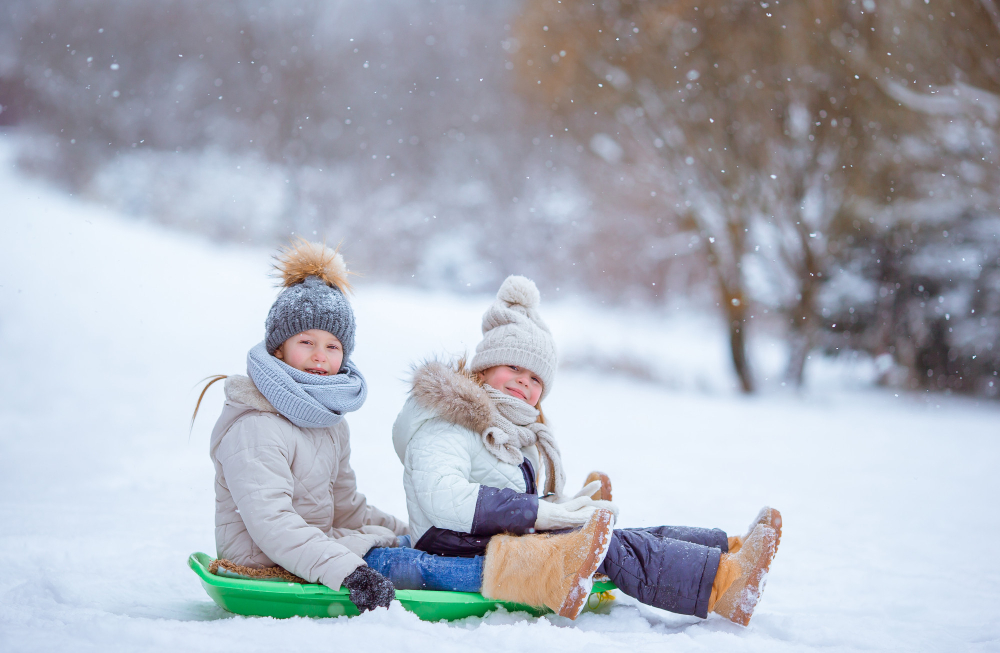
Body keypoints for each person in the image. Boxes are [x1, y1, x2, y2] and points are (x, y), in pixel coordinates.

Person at [392, 275, 781, 625]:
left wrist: (558, 506)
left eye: (534, 378)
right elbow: (442, 496)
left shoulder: (511, 427)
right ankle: (724, 585)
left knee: (612, 535)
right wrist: (541, 513)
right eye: (512, 367)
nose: (523, 383)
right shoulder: (446, 419)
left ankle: (728, 550)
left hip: (480, 538)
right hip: (452, 547)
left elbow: (500, 494)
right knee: (607, 545)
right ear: (483, 369)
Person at [193, 239, 408, 613]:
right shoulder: (255, 425)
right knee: (422, 567)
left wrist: (410, 531)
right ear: (279, 349)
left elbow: (347, 509)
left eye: (333, 346)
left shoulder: (327, 422)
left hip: (315, 550)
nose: (319, 356)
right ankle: (510, 582)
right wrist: (349, 572)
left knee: (412, 546)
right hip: (264, 562)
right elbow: (271, 524)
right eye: (306, 341)